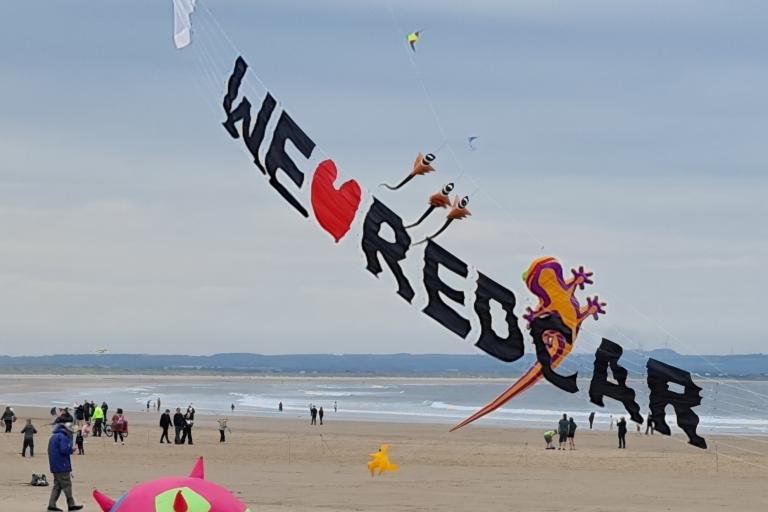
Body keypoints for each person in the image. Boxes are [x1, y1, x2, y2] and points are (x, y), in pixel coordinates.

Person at [47, 422, 84, 511]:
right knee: (67, 484)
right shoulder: (63, 437)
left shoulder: (54, 436)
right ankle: (71, 505)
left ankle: (51, 505)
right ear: (68, 430)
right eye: (71, 432)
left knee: (58, 485)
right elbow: (64, 450)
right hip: (62, 465)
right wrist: (71, 449)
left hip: (55, 465)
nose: (71, 434)